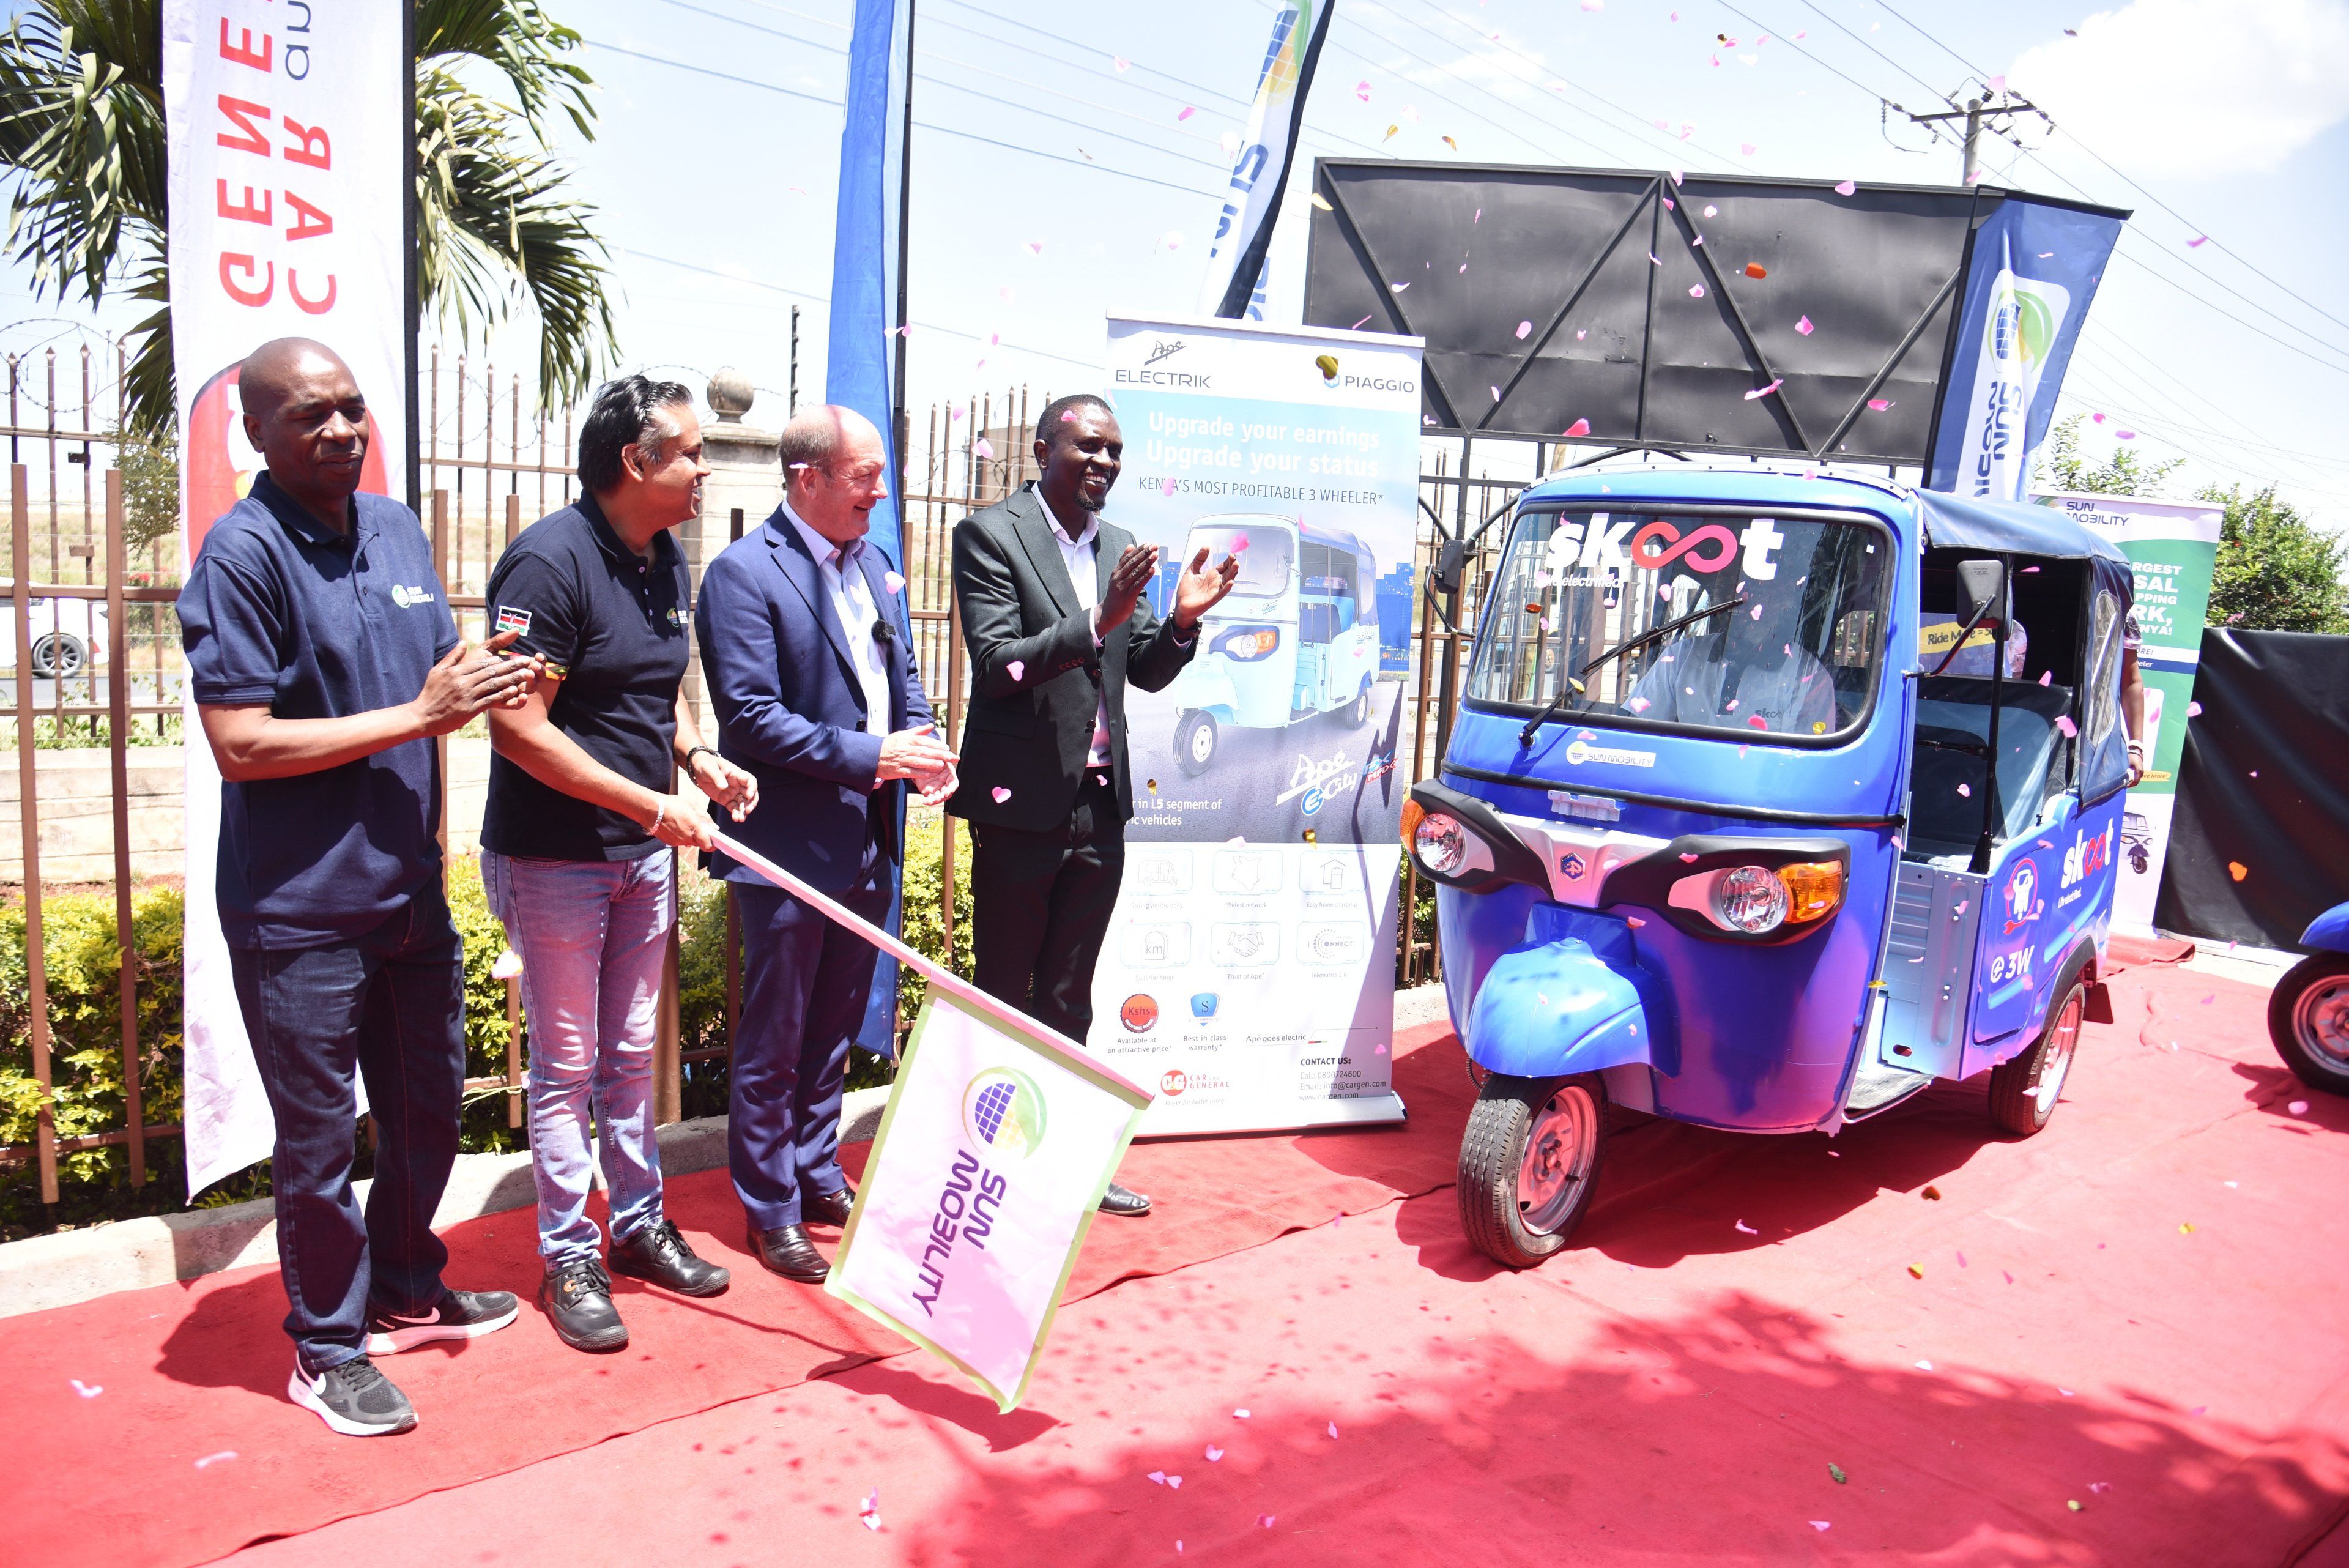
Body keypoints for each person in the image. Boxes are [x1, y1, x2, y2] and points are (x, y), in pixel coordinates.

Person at [179, 338, 533, 1437]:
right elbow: (241, 742)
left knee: (429, 1105)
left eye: (352, 407)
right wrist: (418, 715)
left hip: (407, 891)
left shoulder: (396, 528)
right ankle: (327, 1348)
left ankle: (405, 1286)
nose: (340, 429)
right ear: (257, 432)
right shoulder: (241, 556)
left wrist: (481, 677)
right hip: (300, 911)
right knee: (321, 1138)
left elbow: (435, 675)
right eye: (310, 415)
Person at [479, 376, 761, 1351]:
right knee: (566, 1066)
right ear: (636, 462)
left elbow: (657, 689)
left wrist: (697, 757)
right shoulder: (547, 564)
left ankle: (638, 1224)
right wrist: (650, 803)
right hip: (556, 858)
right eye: (691, 452)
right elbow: (517, 728)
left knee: (634, 1054)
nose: (704, 469)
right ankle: (569, 1253)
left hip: (644, 853)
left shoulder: (662, 556)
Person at [946, 395, 1238, 1217]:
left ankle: (1067, 1162)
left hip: (1100, 805)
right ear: (1044, 450)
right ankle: (988, 1163)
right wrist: (1096, 618)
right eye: (1089, 446)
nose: (1105, 462)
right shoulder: (990, 535)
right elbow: (998, 662)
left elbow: (1141, 667)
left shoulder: (1119, 545)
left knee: (1071, 996)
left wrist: (1179, 622)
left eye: (1114, 450)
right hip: (1019, 807)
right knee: (1004, 992)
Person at [696, 406, 957, 1282]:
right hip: (787, 846)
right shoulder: (742, 574)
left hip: (869, 835)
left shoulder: (876, 565)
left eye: (881, 475)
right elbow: (750, 717)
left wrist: (923, 746)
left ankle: (814, 1170)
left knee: (836, 1021)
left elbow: (901, 678)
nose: (880, 494)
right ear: (808, 478)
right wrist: (874, 755)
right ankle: (770, 1205)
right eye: (864, 476)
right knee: (776, 1032)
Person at [1623, 585, 1837, 735]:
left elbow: (1809, 765)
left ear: (1783, 605)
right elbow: (1635, 733)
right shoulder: (1682, 656)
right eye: (1736, 596)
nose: (1746, 606)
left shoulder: (1808, 675)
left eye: (1762, 595)